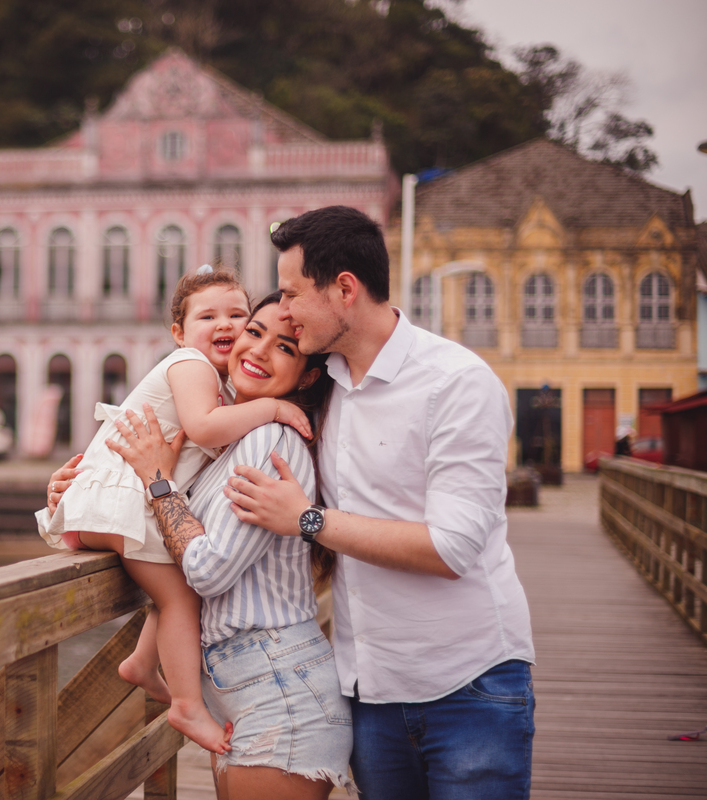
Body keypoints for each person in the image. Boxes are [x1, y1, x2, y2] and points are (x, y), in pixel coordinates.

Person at [223, 206, 535, 799]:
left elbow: (453, 547)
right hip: (368, 691)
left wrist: (307, 521)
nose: (281, 311)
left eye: (291, 294)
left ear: (344, 288)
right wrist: (100, 483)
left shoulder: (456, 383)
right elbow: (222, 409)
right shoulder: (320, 385)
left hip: (469, 684)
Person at [55, 292, 355, 799]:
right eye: (253, 332)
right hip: (256, 688)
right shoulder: (233, 438)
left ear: (307, 376)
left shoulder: (269, 440)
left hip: (277, 692)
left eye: (284, 347)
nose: (257, 350)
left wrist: (157, 480)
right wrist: (78, 487)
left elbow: (209, 569)